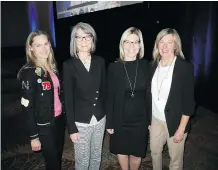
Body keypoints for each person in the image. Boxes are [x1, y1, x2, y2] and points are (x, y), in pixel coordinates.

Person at [17, 30, 65, 170]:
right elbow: (26, 107)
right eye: (38, 45)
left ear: (50, 45)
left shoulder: (53, 67)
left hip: (58, 120)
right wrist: (34, 136)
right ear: (31, 48)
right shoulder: (29, 72)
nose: (44, 49)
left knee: (57, 157)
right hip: (44, 126)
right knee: (53, 164)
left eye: (46, 44)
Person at [148, 28, 195, 170]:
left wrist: (181, 129)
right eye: (161, 42)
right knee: (155, 153)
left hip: (176, 122)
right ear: (157, 44)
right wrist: (149, 121)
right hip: (156, 120)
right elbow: (148, 96)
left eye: (170, 42)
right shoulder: (152, 65)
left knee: (175, 161)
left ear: (176, 45)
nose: (165, 46)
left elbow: (189, 102)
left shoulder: (184, 67)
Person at [63, 22, 106, 170]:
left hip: (100, 119)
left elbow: (104, 91)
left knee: (96, 156)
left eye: (87, 37)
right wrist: (72, 128)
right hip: (81, 122)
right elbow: (67, 99)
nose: (83, 41)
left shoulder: (100, 61)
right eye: (79, 37)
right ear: (74, 41)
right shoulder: (69, 65)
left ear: (92, 40)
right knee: (82, 161)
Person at [106, 27, 150, 170]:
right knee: (122, 151)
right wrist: (110, 122)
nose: (132, 46)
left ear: (140, 45)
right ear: (122, 44)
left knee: (137, 154)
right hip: (120, 119)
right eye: (128, 42)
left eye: (136, 42)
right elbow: (110, 96)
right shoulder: (114, 67)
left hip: (140, 120)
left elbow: (149, 95)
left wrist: (150, 120)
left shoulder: (145, 65)